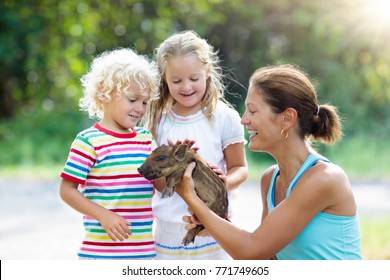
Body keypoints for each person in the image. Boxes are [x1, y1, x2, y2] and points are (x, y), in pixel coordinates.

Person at [175, 64, 362, 260]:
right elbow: (267, 254)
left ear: (287, 118)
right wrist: (215, 223)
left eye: (252, 111)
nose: (243, 120)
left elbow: (251, 252)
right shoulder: (270, 179)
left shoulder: (325, 179)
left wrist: (190, 196)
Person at [145, 30, 248, 259]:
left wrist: (224, 181)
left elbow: (240, 168)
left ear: (207, 71)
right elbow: (160, 187)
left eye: (194, 78)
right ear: (164, 77)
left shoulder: (224, 117)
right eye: (176, 80)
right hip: (170, 228)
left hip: (214, 225)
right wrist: (173, 166)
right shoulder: (158, 120)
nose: (186, 87)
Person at [59, 48, 159, 259]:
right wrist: (103, 215)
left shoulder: (146, 140)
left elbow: (160, 186)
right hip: (100, 254)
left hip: (143, 253)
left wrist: (176, 158)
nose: (140, 108)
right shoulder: (89, 141)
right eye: (132, 99)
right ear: (105, 94)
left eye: (144, 102)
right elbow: (67, 190)